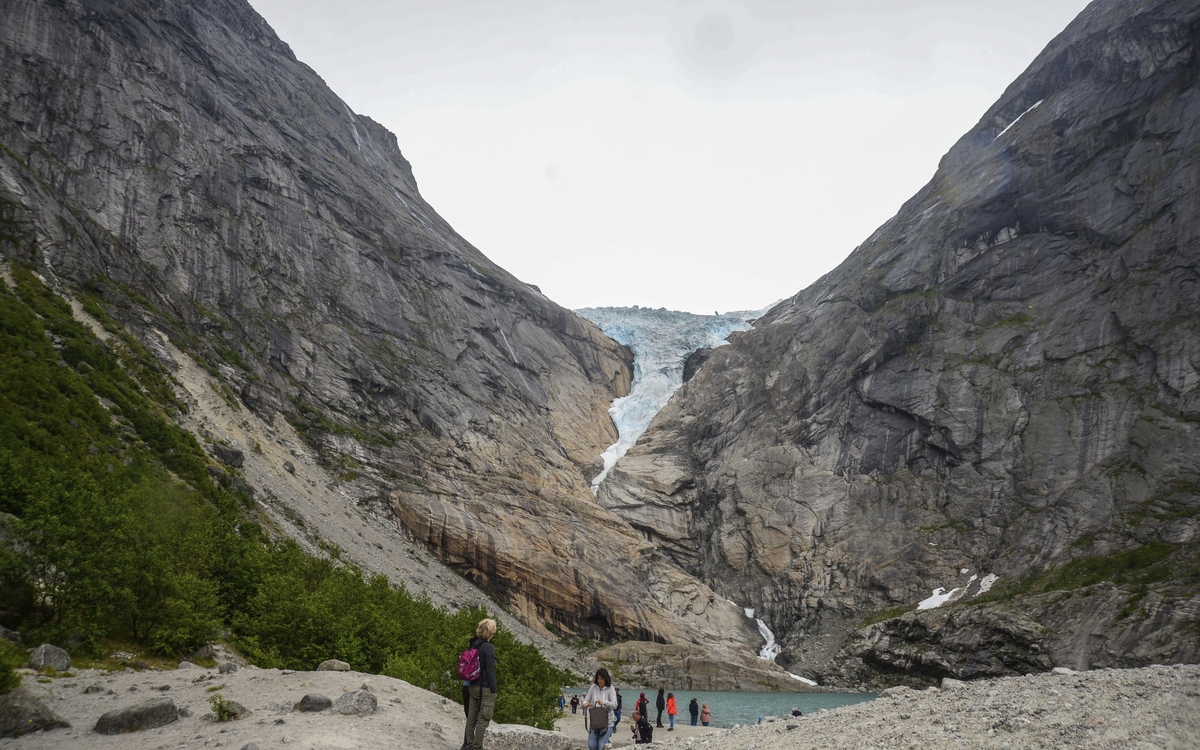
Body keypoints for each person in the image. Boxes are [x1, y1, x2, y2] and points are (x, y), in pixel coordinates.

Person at [462, 618, 497, 750]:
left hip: (472, 685)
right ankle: (478, 747)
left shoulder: (474, 643)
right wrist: (493, 689)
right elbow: (490, 670)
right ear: (491, 632)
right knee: (483, 719)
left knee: (471, 718)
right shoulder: (488, 647)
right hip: (485, 687)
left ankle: (469, 745)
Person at [582, 667, 618, 750]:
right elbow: (585, 700)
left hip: (607, 722)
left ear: (606, 679)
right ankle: (607, 742)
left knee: (600, 747)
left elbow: (615, 705)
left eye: (601, 678)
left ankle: (606, 742)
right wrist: (585, 703)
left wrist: (604, 702)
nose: (599, 681)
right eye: (598, 678)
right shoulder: (593, 687)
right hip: (595, 721)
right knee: (591, 745)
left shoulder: (611, 688)